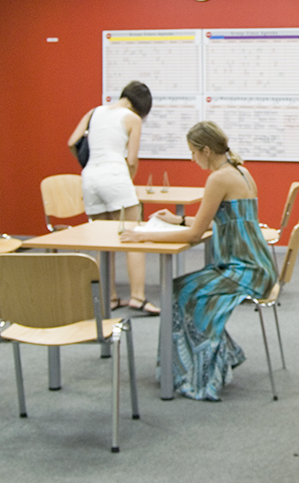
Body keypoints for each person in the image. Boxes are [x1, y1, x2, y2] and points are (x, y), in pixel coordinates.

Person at [120, 121, 277, 401]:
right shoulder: (240, 171)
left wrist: (144, 236)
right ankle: (212, 359)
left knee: (179, 293)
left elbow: (195, 235)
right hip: (257, 264)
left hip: (244, 269)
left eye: (193, 152)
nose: (192, 159)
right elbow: (221, 219)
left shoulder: (219, 178)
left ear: (206, 150)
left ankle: (203, 373)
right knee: (179, 290)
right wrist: (179, 219)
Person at [67, 80, 159, 315]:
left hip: (90, 178)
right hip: (116, 176)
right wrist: (127, 181)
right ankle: (137, 297)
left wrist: (90, 165)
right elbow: (132, 160)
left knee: (102, 241)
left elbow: (71, 142)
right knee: (134, 237)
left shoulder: (94, 112)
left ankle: (109, 297)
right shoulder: (132, 118)